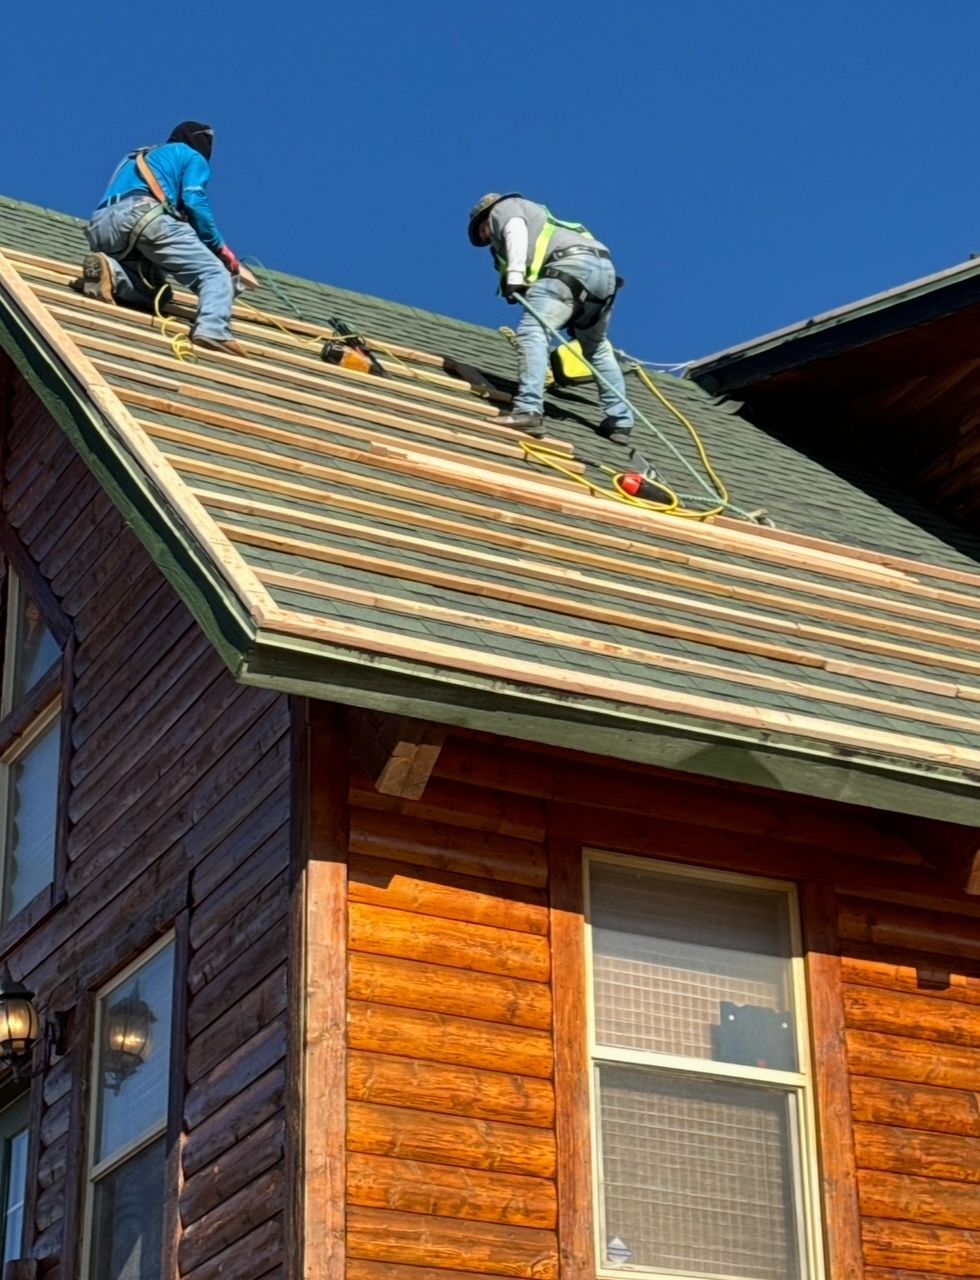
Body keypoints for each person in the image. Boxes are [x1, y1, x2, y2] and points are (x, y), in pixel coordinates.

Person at [71, 121, 248, 356]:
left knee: (156, 292)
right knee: (215, 273)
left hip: (102, 225)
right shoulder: (191, 155)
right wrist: (218, 247)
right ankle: (214, 330)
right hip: (145, 215)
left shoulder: (135, 156)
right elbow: (194, 200)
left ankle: (111, 273)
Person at [468, 193, 633, 443]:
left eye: (484, 232)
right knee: (596, 348)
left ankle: (528, 410)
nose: (488, 239)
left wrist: (514, 274)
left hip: (568, 267)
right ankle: (620, 421)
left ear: (485, 216)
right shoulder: (550, 223)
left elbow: (514, 230)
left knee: (533, 332)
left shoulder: (504, 208)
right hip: (603, 275)